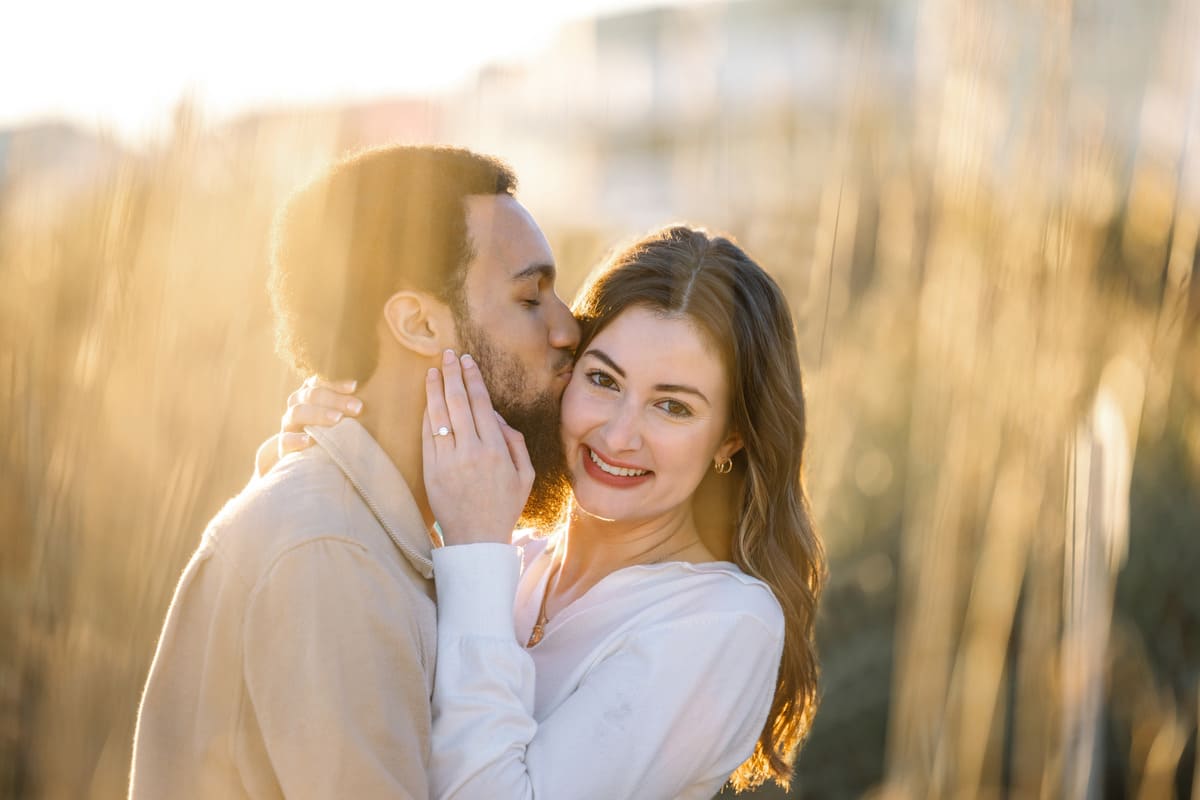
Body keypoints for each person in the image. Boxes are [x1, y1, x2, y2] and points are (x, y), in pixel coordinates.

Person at [283, 226, 826, 798]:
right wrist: (309, 475)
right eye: (603, 380)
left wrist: (475, 551)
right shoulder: (513, 555)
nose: (619, 435)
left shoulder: (720, 621)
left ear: (730, 439)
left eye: (672, 406)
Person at [129, 145, 580, 798]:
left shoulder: (370, 535)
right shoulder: (330, 555)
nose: (568, 328)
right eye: (532, 297)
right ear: (419, 323)